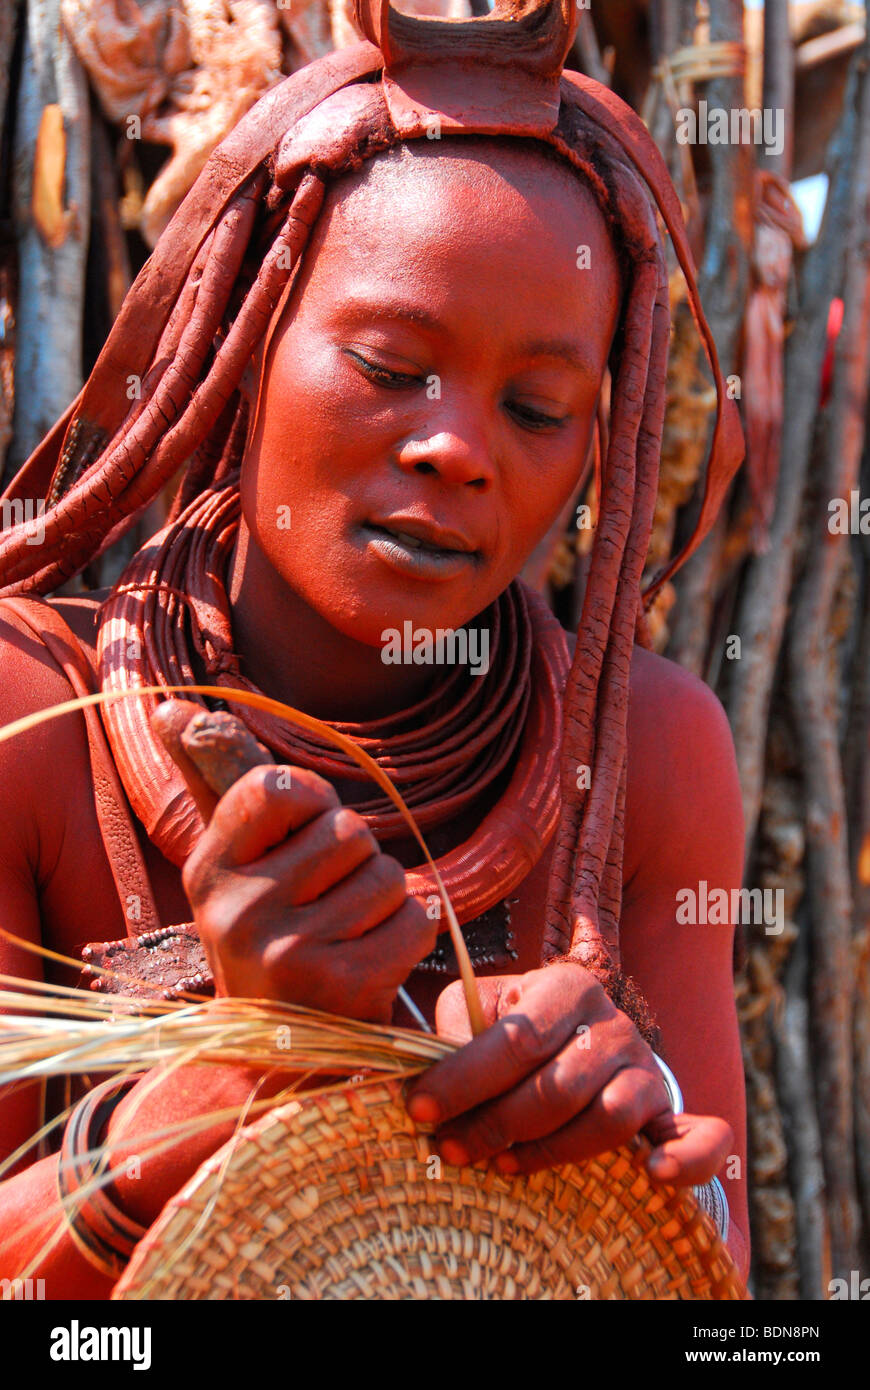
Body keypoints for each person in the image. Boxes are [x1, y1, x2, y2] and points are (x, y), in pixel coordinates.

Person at [0, 0, 749, 1296]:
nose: (455, 446)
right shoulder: (32, 727)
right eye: (390, 365)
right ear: (240, 349)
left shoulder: (651, 754)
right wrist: (237, 1072)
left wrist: (629, 1124)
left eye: (535, 407)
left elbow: (716, 1290)